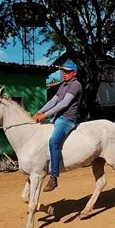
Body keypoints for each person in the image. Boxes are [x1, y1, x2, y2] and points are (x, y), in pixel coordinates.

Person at [32, 60, 82, 192]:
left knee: (53, 141)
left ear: (74, 73)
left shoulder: (75, 85)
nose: (64, 74)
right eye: (63, 71)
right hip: (56, 118)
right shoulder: (63, 85)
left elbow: (64, 103)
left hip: (67, 119)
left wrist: (45, 115)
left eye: (67, 72)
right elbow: (53, 101)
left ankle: (54, 177)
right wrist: (39, 112)